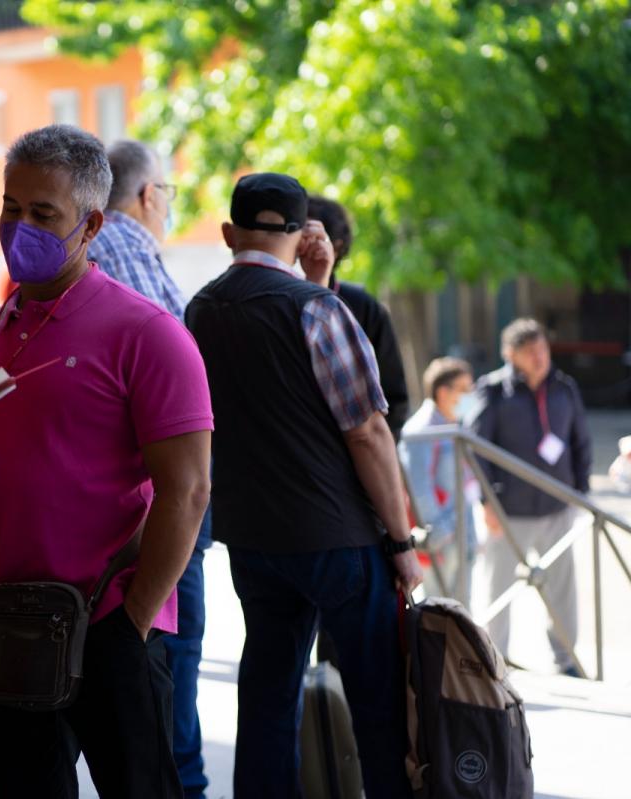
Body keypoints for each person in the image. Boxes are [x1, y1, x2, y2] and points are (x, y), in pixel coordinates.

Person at [0, 124, 212, 799]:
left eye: (42, 213)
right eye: (10, 207)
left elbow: (189, 489)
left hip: (112, 624)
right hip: (4, 630)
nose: (18, 226)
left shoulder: (149, 334)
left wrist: (134, 620)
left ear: (89, 224)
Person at [186, 172, 422, 798]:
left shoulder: (200, 309)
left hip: (254, 540)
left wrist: (313, 284)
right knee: (377, 705)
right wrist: (401, 542)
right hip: (337, 539)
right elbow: (368, 433)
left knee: (267, 696)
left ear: (228, 232)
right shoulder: (319, 309)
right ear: (300, 234)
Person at [87, 138, 210, 798]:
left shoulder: (97, 257)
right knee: (168, 674)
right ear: (144, 195)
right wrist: (138, 612)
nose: (165, 205)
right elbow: (173, 412)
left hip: (143, 508)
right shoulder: (126, 253)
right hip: (152, 509)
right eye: (165, 192)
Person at [469, 318, 592, 676]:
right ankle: (494, 661)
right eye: (530, 352)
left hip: (557, 508)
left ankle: (566, 659)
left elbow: (581, 440)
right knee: (498, 588)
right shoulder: (492, 391)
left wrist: (580, 493)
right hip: (509, 512)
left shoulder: (564, 388)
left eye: (543, 349)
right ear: (510, 355)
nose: (540, 358)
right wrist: (487, 502)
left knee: (563, 590)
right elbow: (476, 451)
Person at [306, 196, 410, 439]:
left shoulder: (363, 307)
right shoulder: (275, 302)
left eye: (312, 239)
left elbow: (394, 397)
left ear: (337, 246)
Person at [400, 357, 479, 603]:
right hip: (444, 540)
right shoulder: (422, 429)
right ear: (443, 392)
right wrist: (440, 533)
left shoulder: (452, 423)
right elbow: (418, 487)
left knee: (461, 610)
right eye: (464, 389)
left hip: (460, 531)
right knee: (442, 613)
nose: (470, 396)